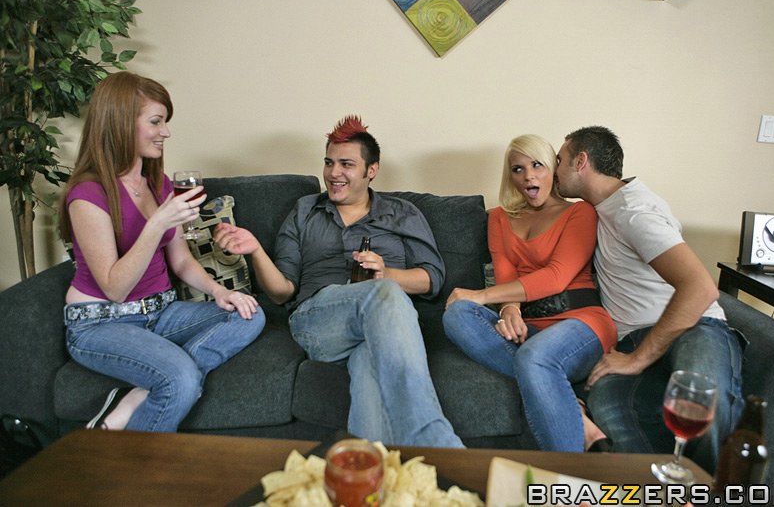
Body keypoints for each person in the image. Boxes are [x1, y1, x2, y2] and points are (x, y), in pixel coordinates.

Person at [213, 115, 463, 448]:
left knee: (368, 360)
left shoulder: (401, 212)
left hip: (385, 325)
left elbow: (432, 278)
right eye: (329, 162)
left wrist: (386, 274)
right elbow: (282, 292)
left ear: (371, 170)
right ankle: (438, 443)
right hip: (319, 322)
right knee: (383, 294)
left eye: (346, 164)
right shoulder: (305, 210)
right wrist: (255, 250)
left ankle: (366, 467)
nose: (333, 173)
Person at [59, 71, 265, 432]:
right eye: (156, 121)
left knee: (249, 313)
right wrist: (156, 223)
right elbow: (115, 288)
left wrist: (220, 292)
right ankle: (137, 458)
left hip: (160, 313)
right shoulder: (88, 195)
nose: (165, 132)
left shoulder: (159, 184)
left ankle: (142, 391)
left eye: (165, 122)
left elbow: (181, 260)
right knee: (180, 379)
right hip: (102, 323)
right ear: (122, 123)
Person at [554, 125, 745, 473]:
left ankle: (711, 492)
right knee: (608, 405)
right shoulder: (598, 209)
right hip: (632, 338)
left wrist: (637, 360)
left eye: (559, 160)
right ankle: (658, 491)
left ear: (581, 162)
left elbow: (700, 288)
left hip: (694, 326)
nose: (554, 170)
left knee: (702, 399)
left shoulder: (634, 212)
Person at [442, 134, 616, 452]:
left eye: (537, 165)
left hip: (581, 324)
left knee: (535, 357)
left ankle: (567, 475)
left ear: (553, 168)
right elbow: (506, 274)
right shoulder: (499, 218)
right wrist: (509, 309)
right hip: (528, 329)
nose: (528, 176)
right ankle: (566, 401)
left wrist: (482, 295)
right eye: (517, 169)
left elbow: (557, 277)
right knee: (456, 314)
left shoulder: (580, 213)